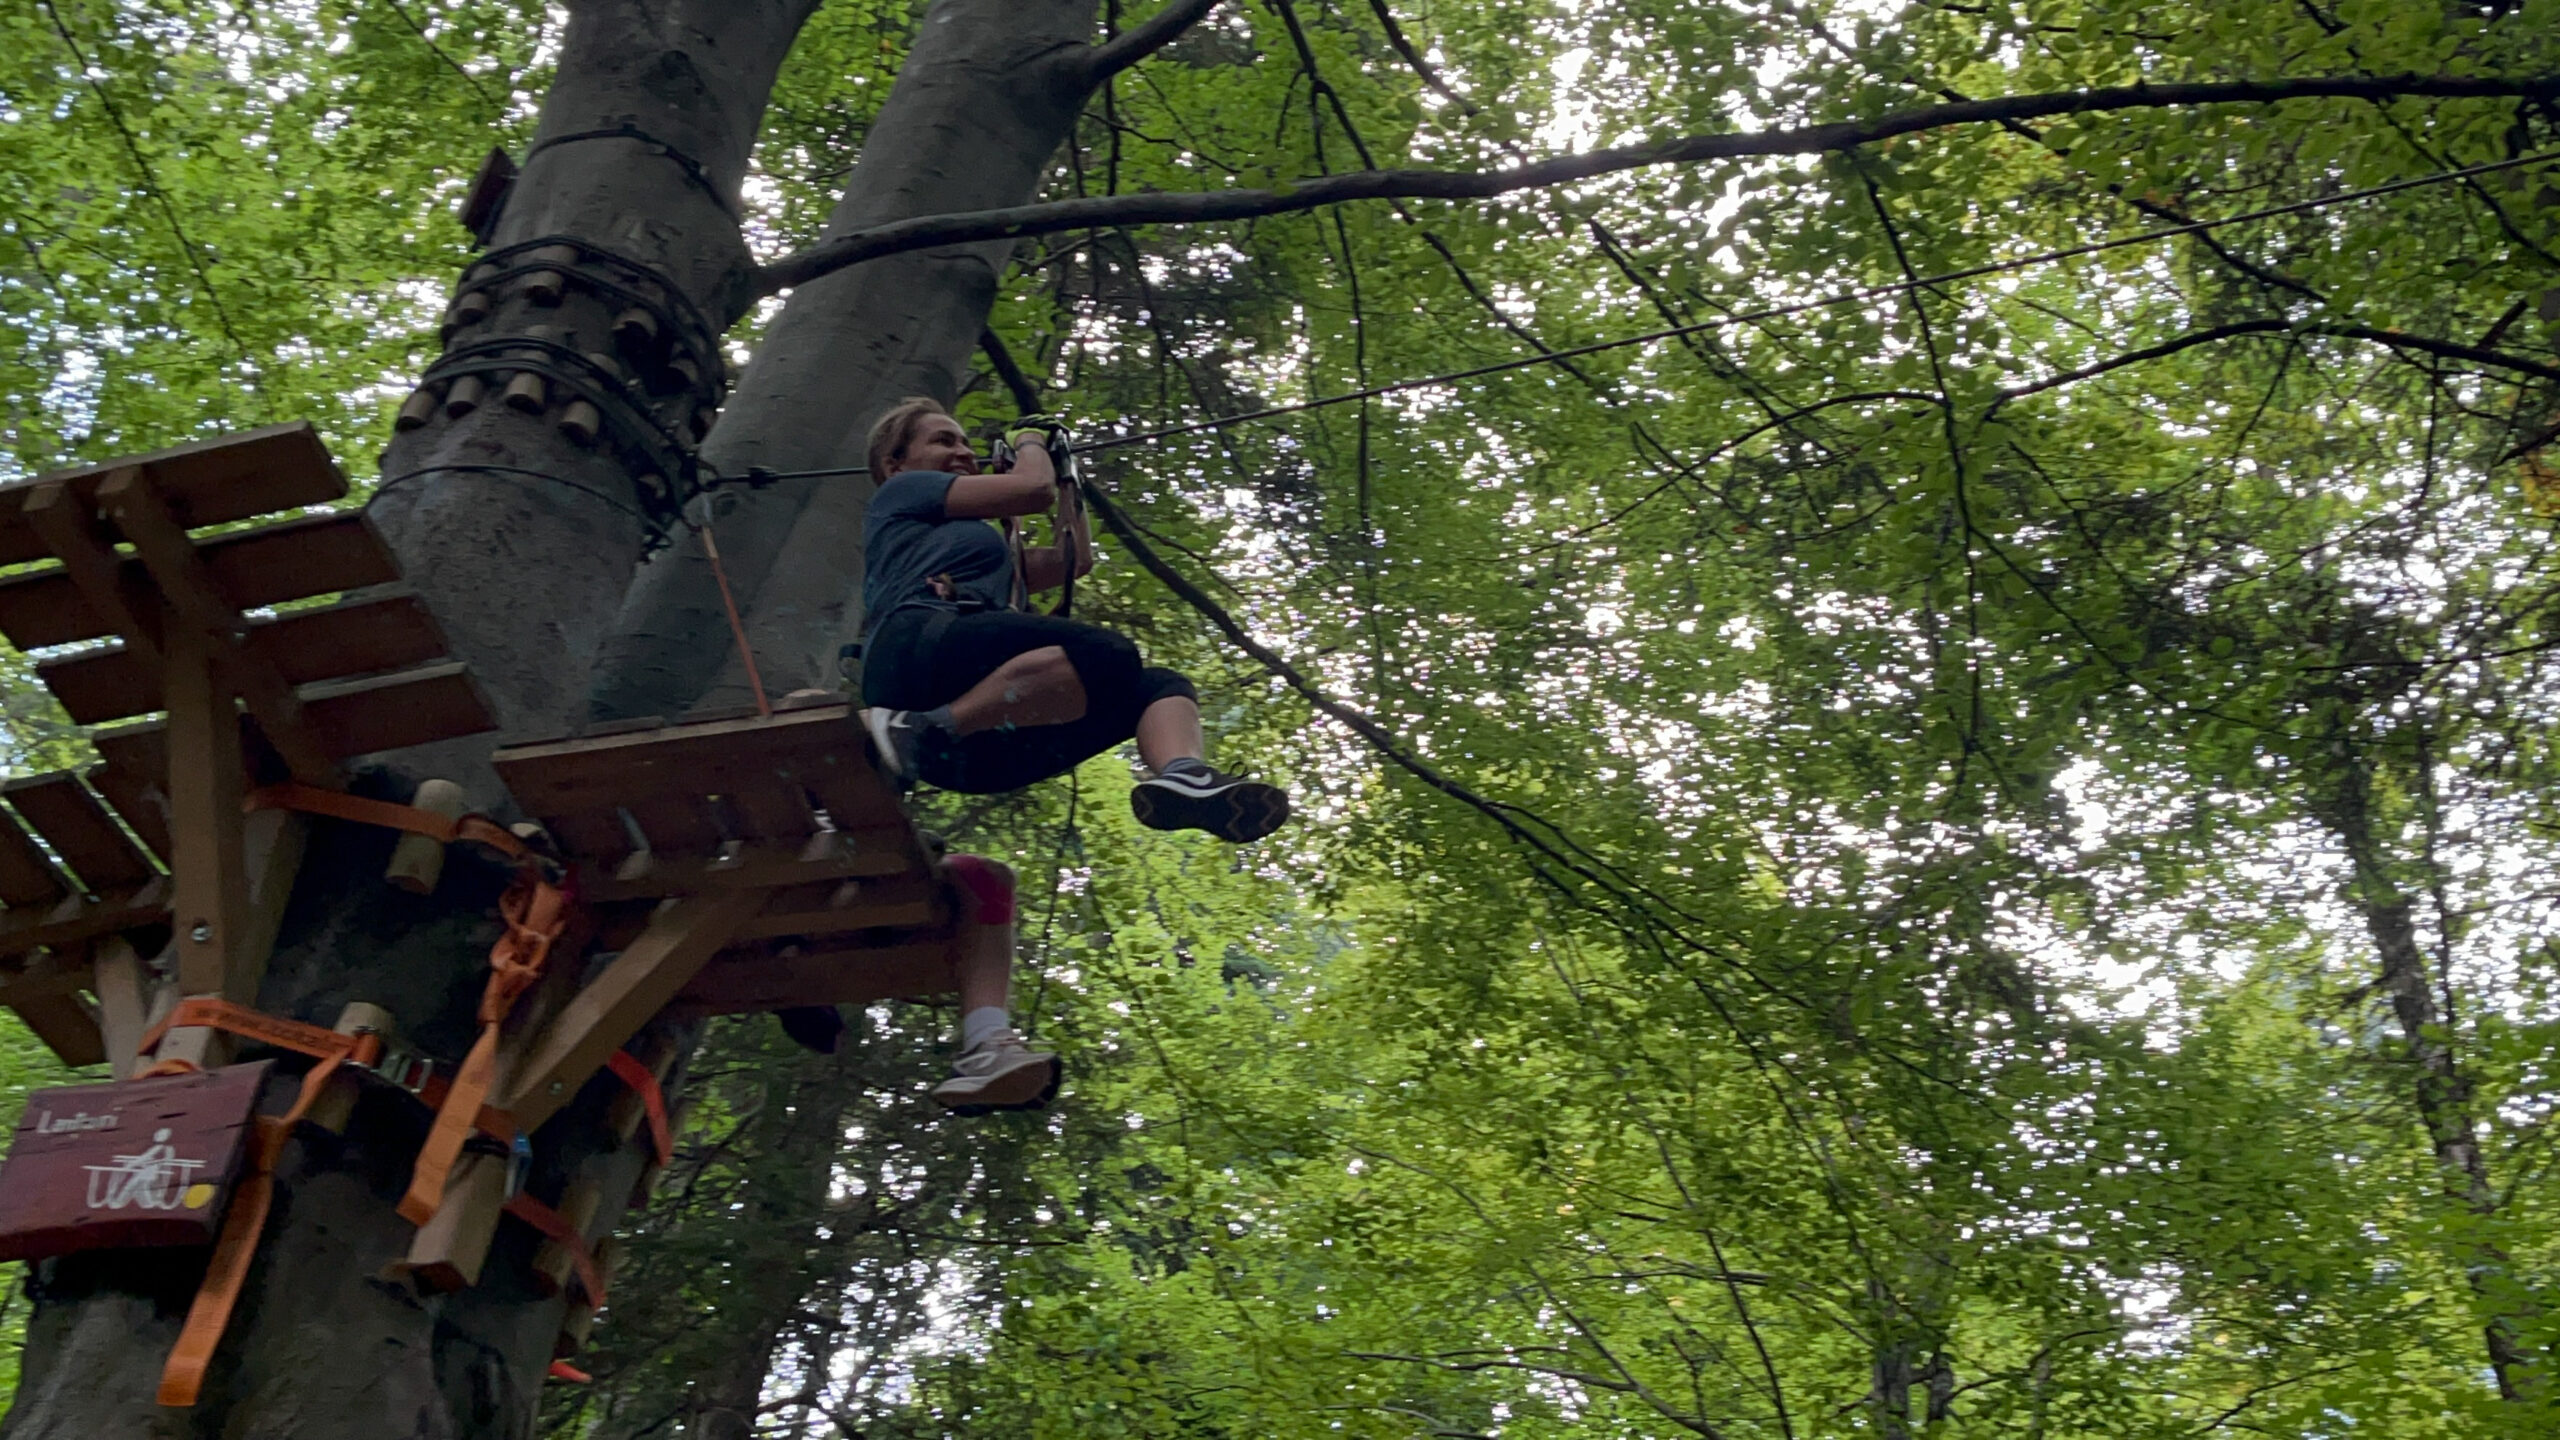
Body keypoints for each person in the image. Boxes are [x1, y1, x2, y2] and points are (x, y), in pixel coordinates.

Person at [854, 397, 1289, 843]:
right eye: (944, 441)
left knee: (1158, 686)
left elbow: (1073, 559)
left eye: (965, 442)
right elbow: (1032, 489)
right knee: (1105, 655)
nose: (964, 452)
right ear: (895, 464)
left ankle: (1184, 774)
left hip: (969, 756)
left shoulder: (991, 556)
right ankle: (922, 728)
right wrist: (1029, 442)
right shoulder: (902, 492)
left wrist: (1066, 475)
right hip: (917, 649)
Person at [779, 852, 1060, 1114]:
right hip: (818, 873)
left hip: (838, 883)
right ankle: (985, 1043)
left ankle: (987, 1043)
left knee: (986, 877)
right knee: (974, 874)